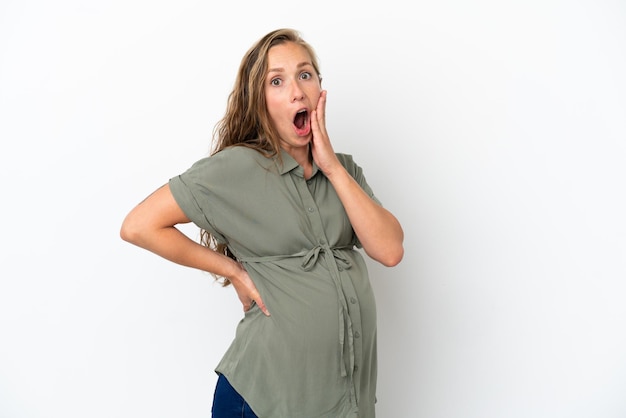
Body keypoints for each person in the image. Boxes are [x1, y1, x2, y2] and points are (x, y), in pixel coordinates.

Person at [120, 28, 404, 418]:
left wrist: (332, 168)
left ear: (320, 87)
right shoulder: (238, 168)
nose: (297, 91)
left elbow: (389, 250)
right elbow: (139, 225)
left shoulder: (346, 170)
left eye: (306, 74)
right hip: (261, 401)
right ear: (260, 101)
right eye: (277, 81)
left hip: (340, 403)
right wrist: (232, 270)